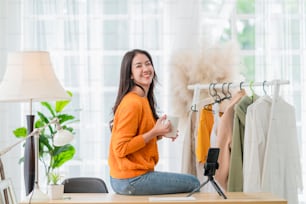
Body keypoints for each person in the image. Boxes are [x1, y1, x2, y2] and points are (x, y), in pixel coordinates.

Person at [108, 49, 200, 195]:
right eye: (138, 66)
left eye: (148, 63)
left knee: (191, 182)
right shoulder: (132, 103)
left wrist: (161, 133)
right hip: (130, 180)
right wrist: (154, 132)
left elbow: (139, 137)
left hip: (129, 178)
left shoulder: (142, 100)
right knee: (193, 183)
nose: (145, 69)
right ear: (130, 74)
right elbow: (120, 148)